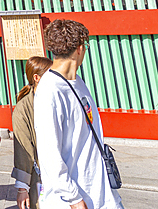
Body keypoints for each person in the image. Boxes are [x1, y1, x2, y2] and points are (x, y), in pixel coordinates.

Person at [34, 20, 121, 209]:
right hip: (73, 197)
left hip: (99, 190)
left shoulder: (77, 82)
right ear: (80, 48)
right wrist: (72, 197)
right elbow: (49, 152)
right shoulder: (50, 90)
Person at [12, 56, 52, 209]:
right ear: (37, 78)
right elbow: (23, 149)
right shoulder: (23, 108)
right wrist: (23, 188)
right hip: (41, 176)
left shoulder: (57, 99)